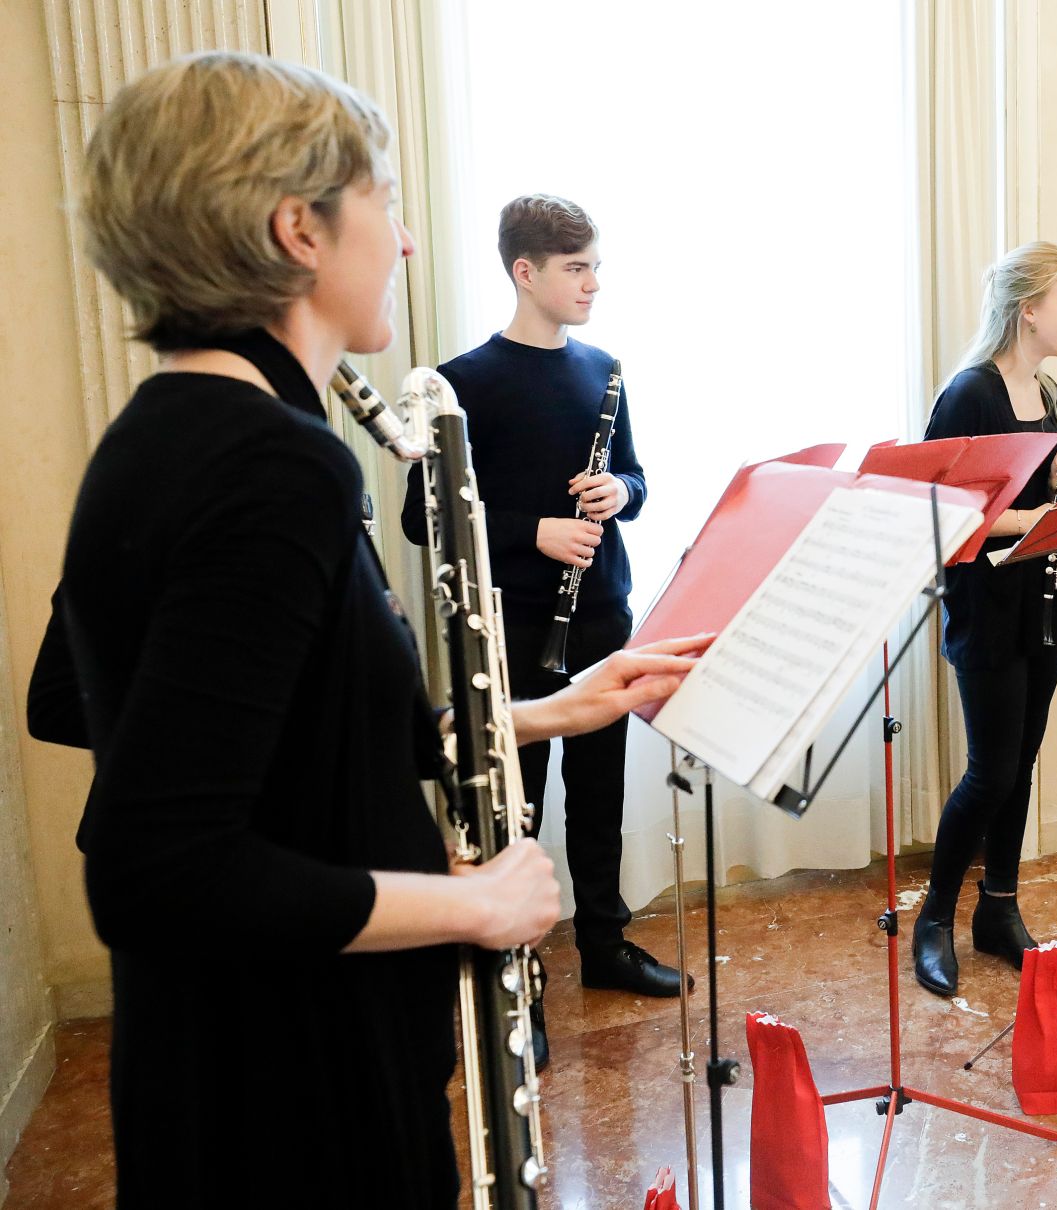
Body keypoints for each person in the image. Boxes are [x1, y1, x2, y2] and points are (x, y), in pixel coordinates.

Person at [25, 52, 707, 1208]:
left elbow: (300, 732)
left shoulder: (178, 428)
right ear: (299, 228)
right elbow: (159, 873)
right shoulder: (266, 463)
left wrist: (555, 705)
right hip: (288, 1085)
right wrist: (477, 901)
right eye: (382, 201)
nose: (399, 240)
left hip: (246, 1057)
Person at [400, 195, 685, 1002]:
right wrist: (535, 532)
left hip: (601, 613)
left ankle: (605, 945)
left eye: (596, 265)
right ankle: (513, 973)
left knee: (600, 795)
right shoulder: (462, 384)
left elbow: (636, 476)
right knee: (514, 807)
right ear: (525, 273)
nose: (593, 283)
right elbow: (423, 517)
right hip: (512, 626)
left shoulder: (604, 371)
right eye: (576, 268)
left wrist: (616, 494)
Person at [912, 242, 1057, 998]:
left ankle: (1000, 909)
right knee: (990, 770)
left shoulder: (1046, 393)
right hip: (987, 605)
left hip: (1041, 597)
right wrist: (1038, 514)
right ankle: (934, 917)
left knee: (1022, 764)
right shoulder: (968, 395)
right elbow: (948, 521)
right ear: (1030, 310)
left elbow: (1030, 494)